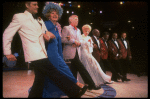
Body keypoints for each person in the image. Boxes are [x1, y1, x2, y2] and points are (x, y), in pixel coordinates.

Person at [3, 2, 88, 98]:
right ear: (27, 5)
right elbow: (7, 34)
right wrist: (7, 52)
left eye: (37, 5)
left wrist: (48, 35)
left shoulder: (38, 20)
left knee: (39, 80)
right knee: (55, 73)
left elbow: (44, 32)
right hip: (34, 54)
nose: (37, 6)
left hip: (43, 53)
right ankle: (75, 92)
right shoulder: (19, 17)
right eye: (35, 4)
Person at [40, 2, 85, 98]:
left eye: (57, 13)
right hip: (50, 54)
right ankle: (75, 85)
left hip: (57, 53)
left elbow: (59, 43)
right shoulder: (46, 24)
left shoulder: (56, 27)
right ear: (48, 14)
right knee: (56, 74)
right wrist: (45, 35)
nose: (55, 14)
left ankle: (75, 86)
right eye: (52, 13)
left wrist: (60, 55)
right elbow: (41, 36)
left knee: (62, 71)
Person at [61, 15, 97, 90]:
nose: (77, 21)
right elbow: (63, 39)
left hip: (77, 51)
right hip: (70, 52)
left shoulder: (78, 30)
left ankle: (73, 87)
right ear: (70, 20)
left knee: (74, 70)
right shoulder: (66, 28)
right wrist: (73, 41)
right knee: (81, 68)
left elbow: (81, 41)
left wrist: (79, 43)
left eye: (77, 19)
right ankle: (91, 84)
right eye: (75, 19)